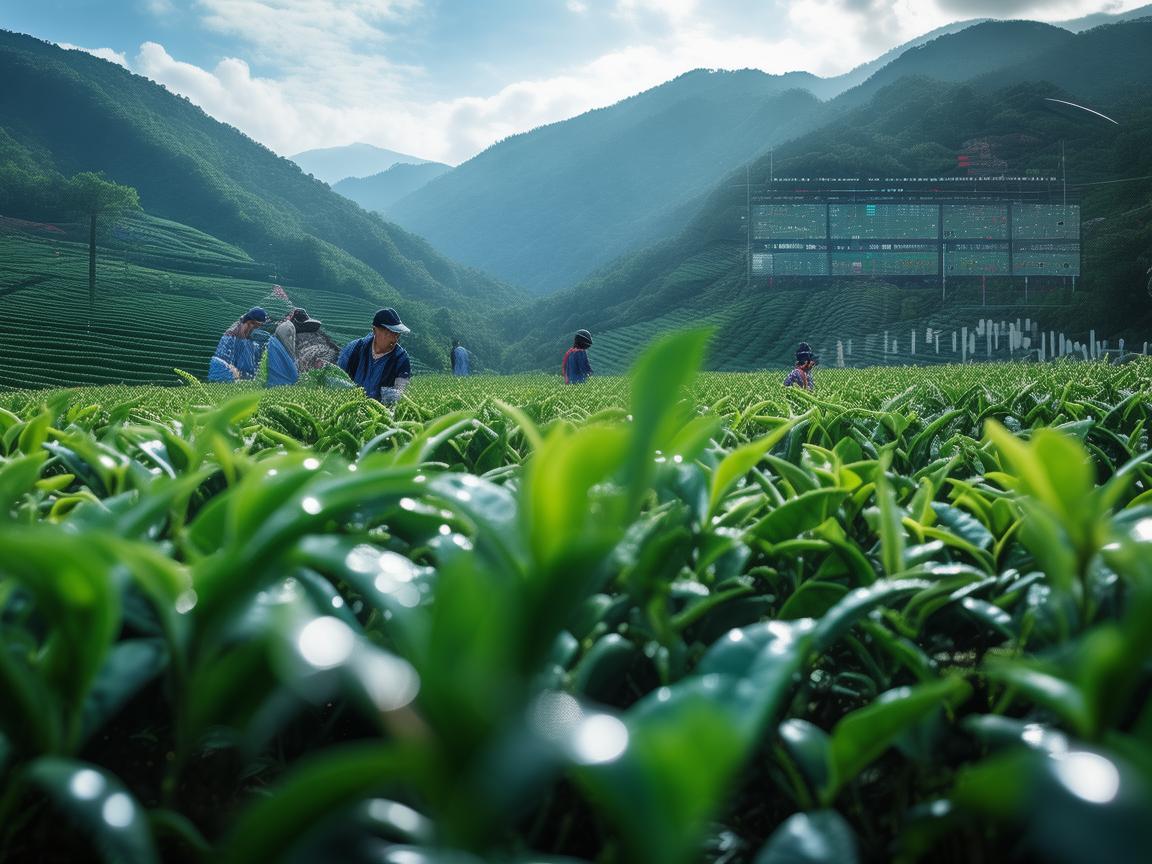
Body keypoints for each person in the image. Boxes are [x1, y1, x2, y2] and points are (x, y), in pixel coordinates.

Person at [338, 307, 412, 403]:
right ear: (375, 330)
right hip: (348, 406)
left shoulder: (401, 359)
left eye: (397, 335)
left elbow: (401, 392)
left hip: (379, 414)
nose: (394, 340)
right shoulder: (354, 349)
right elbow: (338, 377)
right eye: (389, 334)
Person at [208, 306, 268, 381]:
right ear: (250, 322)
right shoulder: (233, 336)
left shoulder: (247, 338)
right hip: (224, 371)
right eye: (256, 325)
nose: (256, 328)